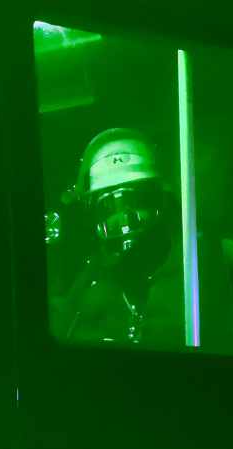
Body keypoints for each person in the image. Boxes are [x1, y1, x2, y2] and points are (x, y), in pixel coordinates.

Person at [46, 128, 186, 346]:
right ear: (95, 217)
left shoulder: (190, 269)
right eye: (110, 207)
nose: (125, 218)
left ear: (161, 202)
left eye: (137, 201)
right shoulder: (90, 284)